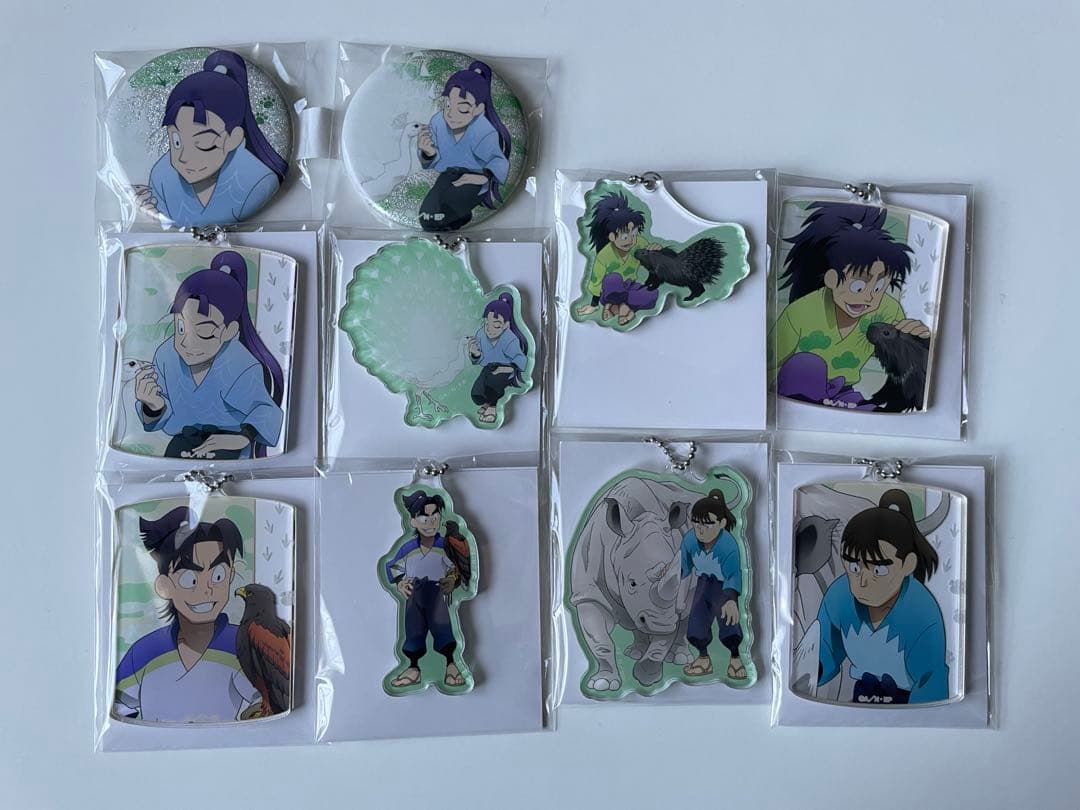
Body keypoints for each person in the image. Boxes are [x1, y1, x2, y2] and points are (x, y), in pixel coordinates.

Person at [772, 202, 930, 408]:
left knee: (869, 409)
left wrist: (920, 342)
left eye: (878, 287)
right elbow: (769, 361)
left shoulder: (888, 311)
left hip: (841, 392)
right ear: (831, 279)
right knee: (808, 364)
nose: (869, 297)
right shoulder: (800, 311)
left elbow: (903, 362)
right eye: (858, 287)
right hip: (800, 386)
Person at [133, 250, 284, 459]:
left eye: (204, 331)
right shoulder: (166, 356)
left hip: (229, 446)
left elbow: (264, 410)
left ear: (229, 331)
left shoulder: (241, 363)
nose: (185, 342)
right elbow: (158, 415)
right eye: (181, 328)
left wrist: (243, 437)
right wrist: (153, 406)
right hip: (181, 445)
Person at [113, 507, 259, 723]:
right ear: (164, 586)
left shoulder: (242, 645)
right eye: (190, 579)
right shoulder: (143, 653)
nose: (206, 590)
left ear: (231, 576)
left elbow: (268, 704)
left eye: (218, 576)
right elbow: (119, 710)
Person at [815, 489, 949, 704]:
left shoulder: (922, 611)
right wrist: (806, 673)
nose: (862, 582)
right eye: (853, 567)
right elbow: (824, 652)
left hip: (913, 704)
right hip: (861, 697)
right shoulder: (839, 596)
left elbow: (930, 680)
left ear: (908, 565)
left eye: (878, 570)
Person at [133, 50, 287, 227]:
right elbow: (163, 219)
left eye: (202, 143)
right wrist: (148, 207)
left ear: (233, 139)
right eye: (176, 142)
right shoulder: (161, 175)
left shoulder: (257, 182)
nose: (183, 157)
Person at [416, 60, 512, 231]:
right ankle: (461, 217)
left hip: (474, 179)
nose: (451, 115)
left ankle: (460, 215)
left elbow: (498, 161)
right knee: (426, 218)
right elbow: (432, 157)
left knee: (444, 214)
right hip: (447, 176)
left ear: (478, 109)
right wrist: (428, 153)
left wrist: (484, 177)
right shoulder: (438, 122)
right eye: (448, 105)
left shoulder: (484, 131)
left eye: (462, 109)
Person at [383, 491, 465, 688]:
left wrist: (452, 580)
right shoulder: (408, 548)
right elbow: (392, 567)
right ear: (413, 521)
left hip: (437, 592)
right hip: (415, 593)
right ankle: (413, 667)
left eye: (435, 518)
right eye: (424, 518)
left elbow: (455, 568)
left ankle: (451, 664)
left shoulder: (444, 545)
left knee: (442, 626)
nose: (430, 523)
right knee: (413, 628)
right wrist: (400, 583)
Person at [679, 490, 748, 680]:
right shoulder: (690, 539)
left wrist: (731, 599)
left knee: (729, 622)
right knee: (697, 621)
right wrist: (668, 576)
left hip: (724, 586)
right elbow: (683, 566)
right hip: (703, 583)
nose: (700, 529)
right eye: (696, 523)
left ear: (721, 523)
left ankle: (735, 658)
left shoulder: (728, 544)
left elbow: (733, 573)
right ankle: (703, 659)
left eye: (707, 524)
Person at [576, 191, 662, 326]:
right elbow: (596, 281)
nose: (631, 241)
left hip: (630, 287)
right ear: (612, 237)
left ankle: (619, 307)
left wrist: (656, 252)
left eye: (634, 235)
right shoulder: (604, 255)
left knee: (653, 294)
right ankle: (622, 307)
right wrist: (593, 305)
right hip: (611, 291)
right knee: (613, 279)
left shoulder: (639, 243)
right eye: (625, 237)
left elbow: (650, 256)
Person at [468, 292, 528, 423]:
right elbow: (479, 359)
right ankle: (486, 404)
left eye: (496, 325)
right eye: (486, 324)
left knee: (493, 384)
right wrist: (475, 354)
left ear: (506, 325)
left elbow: (521, 360)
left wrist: (505, 369)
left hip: (506, 369)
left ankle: (492, 408)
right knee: (477, 392)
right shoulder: (481, 334)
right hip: (489, 368)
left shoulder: (510, 339)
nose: (489, 329)